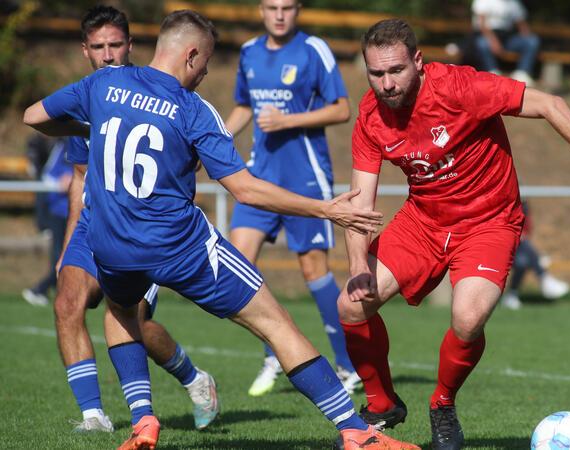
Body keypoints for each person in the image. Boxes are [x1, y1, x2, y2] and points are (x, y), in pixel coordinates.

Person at [24, 10, 419, 450]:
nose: (206, 72)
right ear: (191, 55)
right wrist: (325, 209)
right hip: (180, 247)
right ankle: (356, 432)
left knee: (121, 311)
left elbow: (33, 116)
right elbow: (245, 190)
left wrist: (92, 124)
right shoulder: (193, 109)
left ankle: (143, 420)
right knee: (276, 324)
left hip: (112, 243)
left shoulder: (103, 84)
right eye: (207, 62)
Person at [338, 19, 570, 450]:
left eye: (396, 70)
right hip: (423, 221)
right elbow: (360, 202)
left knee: (468, 317)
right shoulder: (371, 116)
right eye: (376, 73)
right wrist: (356, 266)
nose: (387, 83)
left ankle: (442, 403)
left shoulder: (461, 88)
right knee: (351, 304)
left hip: (489, 222)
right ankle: (382, 404)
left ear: (418, 61)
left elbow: (551, 104)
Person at [46, 5, 220, 433]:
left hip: (147, 229)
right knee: (67, 302)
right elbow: (79, 178)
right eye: (98, 47)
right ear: (85, 51)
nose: (107, 55)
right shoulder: (88, 98)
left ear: (131, 45)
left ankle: (192, 378)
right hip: (93, 223)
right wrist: (68, 245)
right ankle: (94, 417)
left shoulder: (161, 96)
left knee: (131, 319)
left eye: (115, 45)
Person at [223, 0, 360, 398]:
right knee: (238, 265)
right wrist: (216, 139)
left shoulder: (313, 49)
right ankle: (275, 353)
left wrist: (288, 120)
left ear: (298, 9)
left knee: (314, 270)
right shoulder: (249, 52)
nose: (279, 15)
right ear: (260, 10)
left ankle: (348, 367)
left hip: (305, 179)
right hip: (259, 177)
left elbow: (342, 109)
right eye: (272, 7)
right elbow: (244, 105)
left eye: (286, 7)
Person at [22, 136, 71, 307]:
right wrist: (61, 182)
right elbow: (47, 175)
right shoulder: (64, 146)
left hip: (80, 213)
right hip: (59, 212)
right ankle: (39, 289)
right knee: (60, 257)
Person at [500, 200, 570, 309]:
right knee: (523, 247)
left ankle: (511, 296)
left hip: (517, 251)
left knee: (522, 262)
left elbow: (525, 234)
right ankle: (543, 277)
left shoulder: (523, 209)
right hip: (499, 249)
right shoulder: (505, 209)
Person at [471, 0, 540, 86]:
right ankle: (492, 72)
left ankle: (522, 73)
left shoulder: (513, 3)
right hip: (486, 35)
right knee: (482, 43)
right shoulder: (483, 1)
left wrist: (526, 35)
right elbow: (481, 24)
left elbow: (521, 23)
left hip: (507, 38)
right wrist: (493, 41)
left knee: (532, 41)